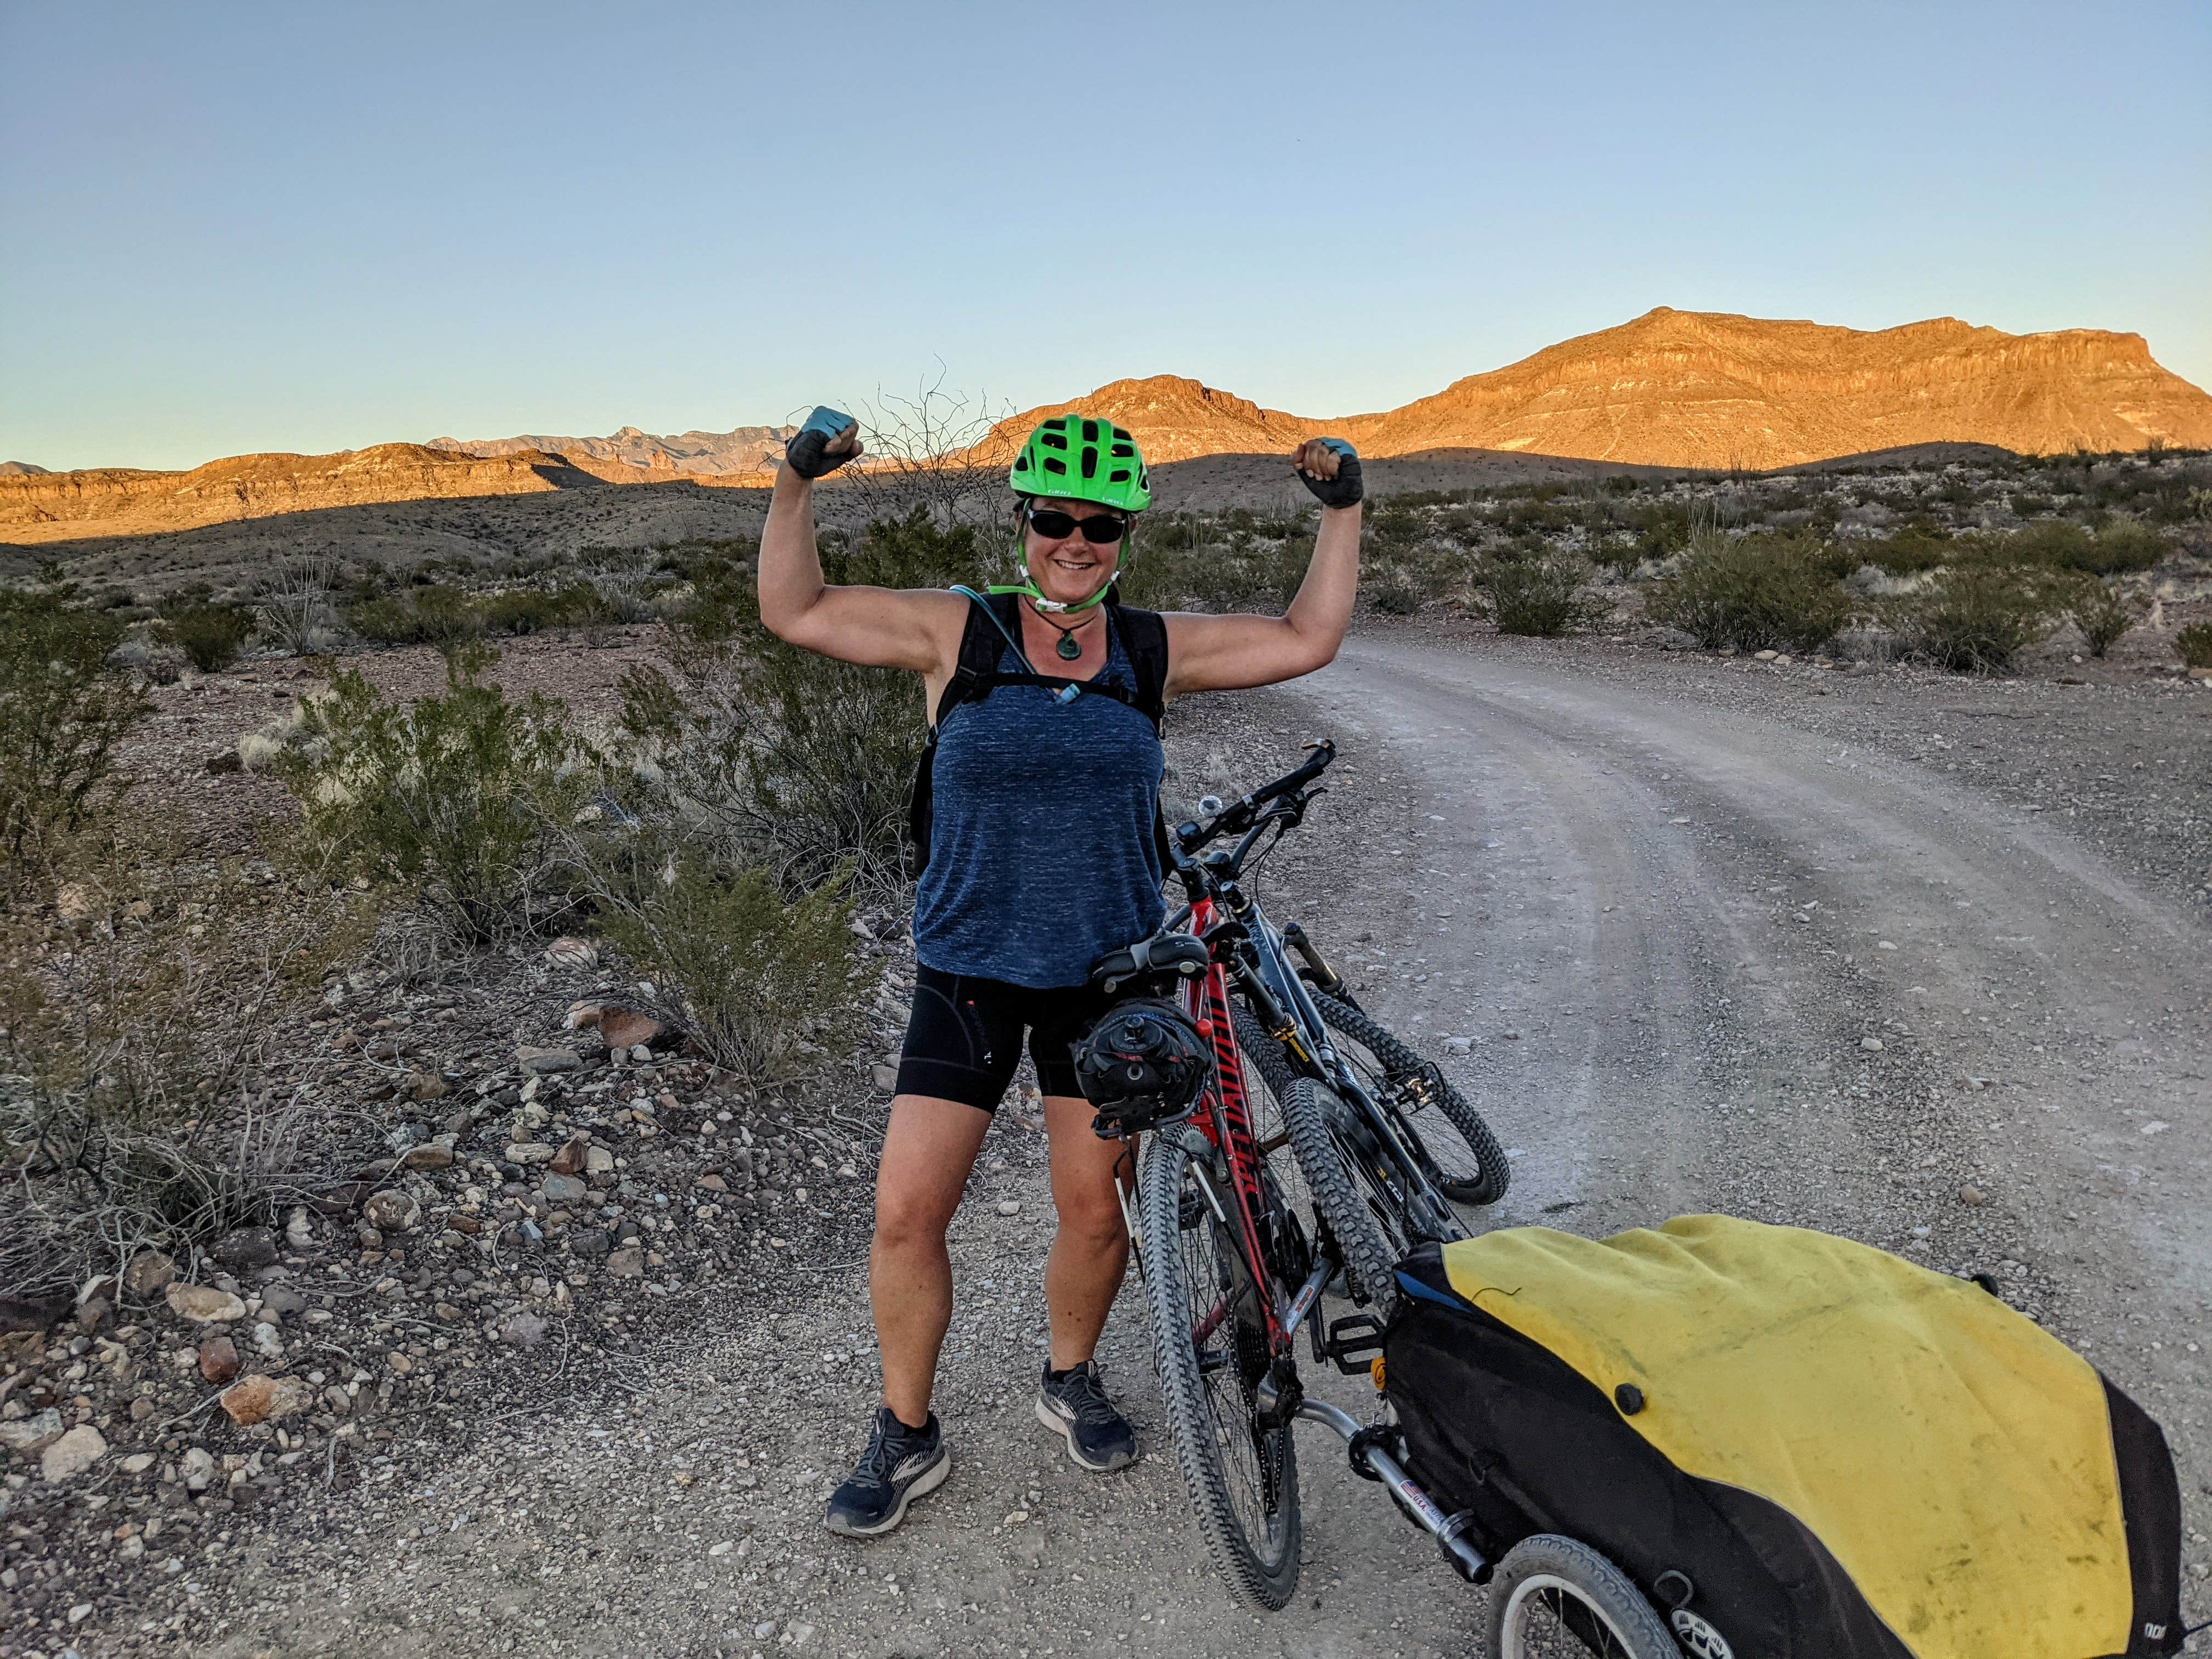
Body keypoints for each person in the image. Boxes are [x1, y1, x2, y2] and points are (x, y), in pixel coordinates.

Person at [757, 408, 1363, 1537]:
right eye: (1054, 521)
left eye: (1098, 525)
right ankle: (906, 1430)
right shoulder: (959, 631)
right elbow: (795, 610)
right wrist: (795, 485)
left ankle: (1070, 1376)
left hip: (1110, 977)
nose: (1074, 543)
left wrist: (1343, 512)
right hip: (971, 972)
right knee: (905, 1215)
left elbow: (1305, 637)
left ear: (1124, 533)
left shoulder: (1150, 648)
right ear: (1024, 521)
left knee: (1094, 1212)